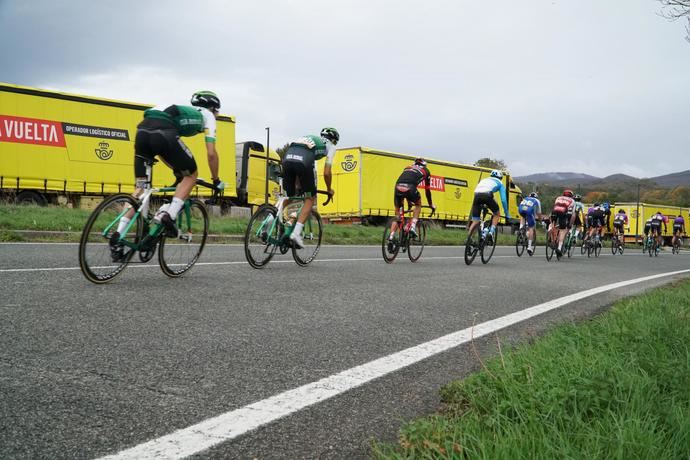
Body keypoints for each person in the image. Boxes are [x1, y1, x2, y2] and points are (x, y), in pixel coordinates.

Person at [111, 90, 224, 260]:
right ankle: (168, 216)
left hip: (142, 131)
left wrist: (177, 169)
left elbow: (164, 151)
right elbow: (211, 153)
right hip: (164, 132)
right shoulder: (208, 115)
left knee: (140, 189)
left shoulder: (184, 109)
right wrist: (216, 180)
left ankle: (118, 235)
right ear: (213, 108)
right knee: (192, 175)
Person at [281, 127, 339, 248]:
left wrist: (299, 184)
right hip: (303, 160)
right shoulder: (331, 147)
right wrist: (329, 189)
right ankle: (296, 234)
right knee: (310, 199)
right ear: (333, 140)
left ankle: (274, 224)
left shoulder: (310, 137)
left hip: (288, 156)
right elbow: (327, 172)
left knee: (289, 197)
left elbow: (297, 162)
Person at [387, 158, 436, 249]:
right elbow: (427, 190)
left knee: (398, 215)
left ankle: (391, 236)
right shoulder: (426, 171)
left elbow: (405, 183)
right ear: (424, 165)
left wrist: (409, 202)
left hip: (398, 186)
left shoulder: (407, 167)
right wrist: (430, 204)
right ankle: (413, 226)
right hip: (410, 188)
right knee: (418, 204)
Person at [467, 170, 511, 243]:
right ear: (500, 177)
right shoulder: (500, 183)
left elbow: (481, 191)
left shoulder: (484, 180)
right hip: (487, 195)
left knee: (475, 221)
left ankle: (469, 239)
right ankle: (491, 232)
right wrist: (506, 213)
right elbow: (503, 200)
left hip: (477, 196)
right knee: (497, 214)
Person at [549, 189, 576, 258]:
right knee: (562, 230)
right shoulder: (572, 201)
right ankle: (559, 248)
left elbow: (554, 207)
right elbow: (573, 215)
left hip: (554, 211)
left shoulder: (558, 197)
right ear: (571, 196)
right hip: (563, 213)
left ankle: (551, 239)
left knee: (553, 224)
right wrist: (570, 225)